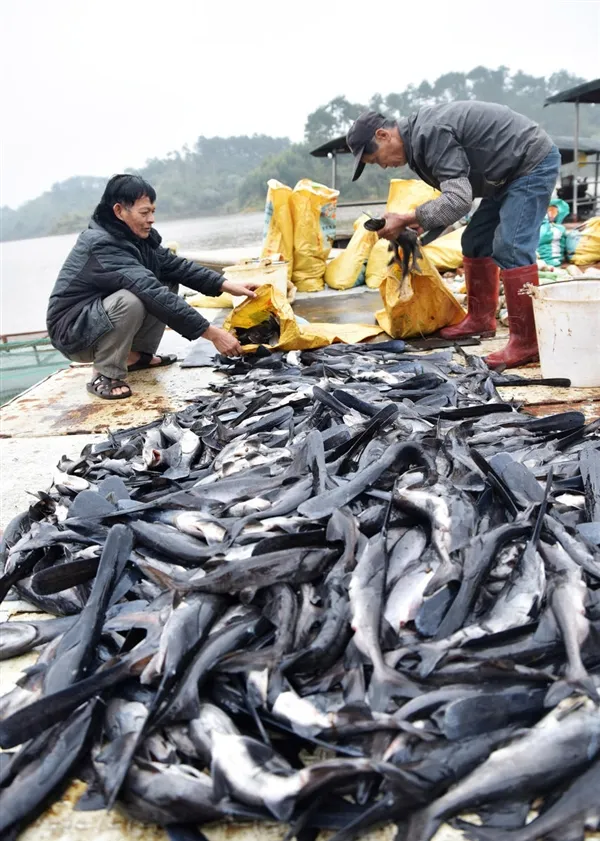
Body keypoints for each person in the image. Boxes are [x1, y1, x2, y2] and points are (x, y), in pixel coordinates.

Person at [347, 103, 561, 368]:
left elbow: (459, 199)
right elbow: (455, 196)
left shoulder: (429, 134)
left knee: (512, 247)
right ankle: (481, 320)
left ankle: (527, 342)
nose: (382, 166)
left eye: (377, 159)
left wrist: (407, 218)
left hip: (529, 163)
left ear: (383, 135)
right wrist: (418, 226)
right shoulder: (417, 144)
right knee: (474, 241)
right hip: (504, 175)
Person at [46, 174, 259, 399]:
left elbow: (177, 266)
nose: (151, 219)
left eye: (153, 212)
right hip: (73, 332)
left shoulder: (137, 238)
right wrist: (213, 334)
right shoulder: (101, 244)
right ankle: (105, 374)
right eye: (144, 213)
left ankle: (135, 356)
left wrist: (227, 285)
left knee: (166, 278)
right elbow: (149, 291)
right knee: (131, 300)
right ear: (119, 211)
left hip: (97, 320)